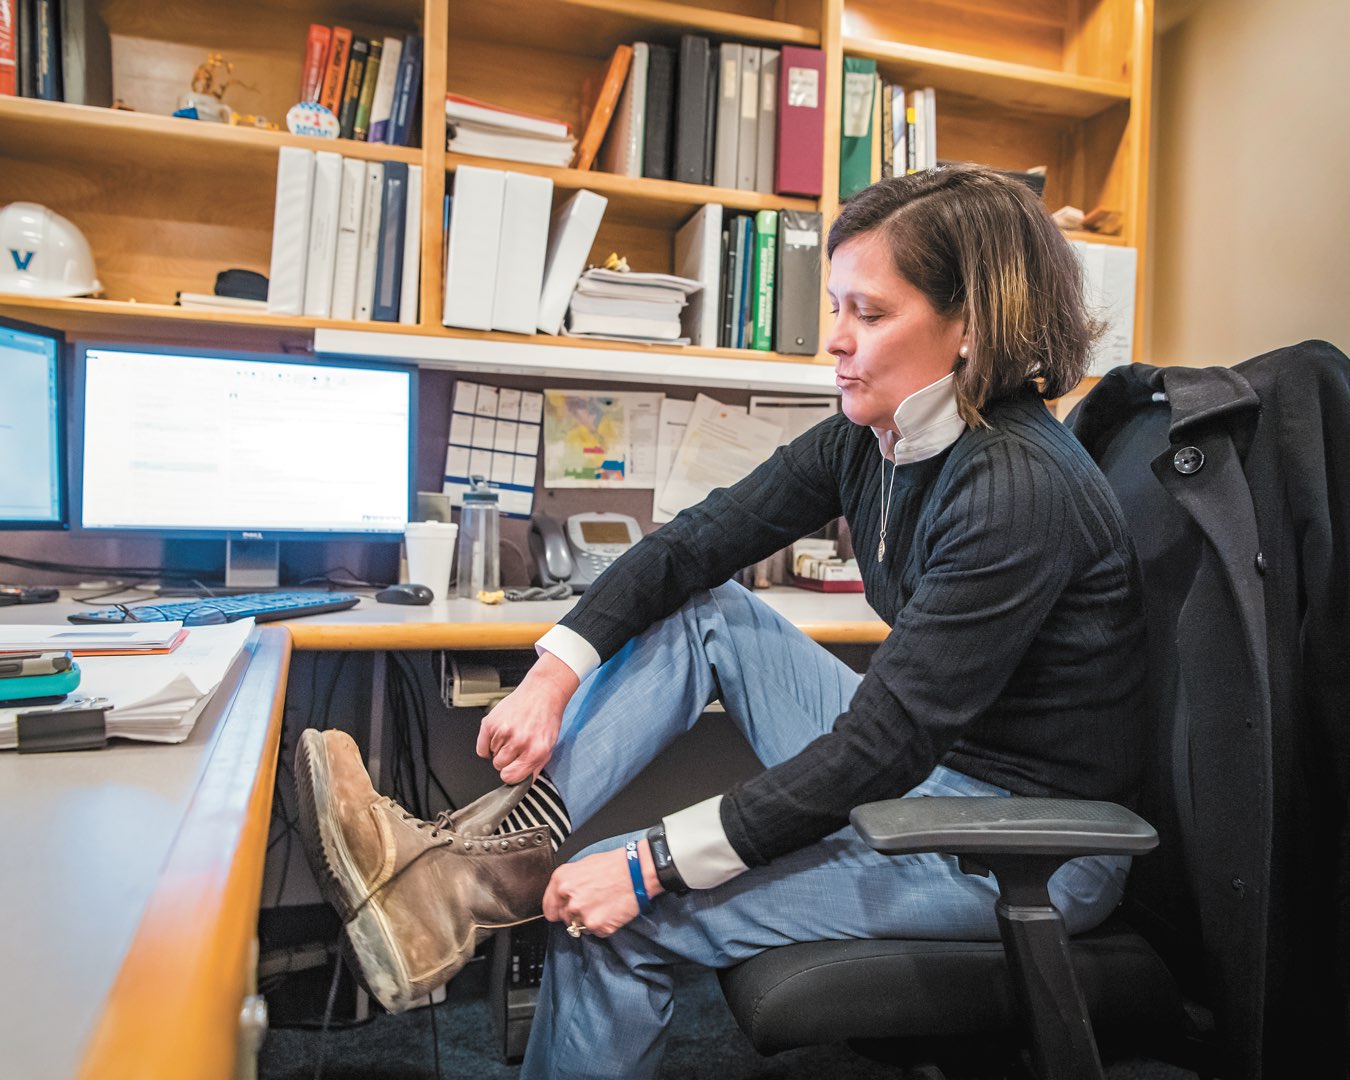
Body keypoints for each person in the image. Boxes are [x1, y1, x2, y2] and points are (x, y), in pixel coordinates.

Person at [293, 162, 1146, 1079]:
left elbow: (880, 749)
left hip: (1024, 844)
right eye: (836, 308)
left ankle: (466, 884)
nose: (836, 341)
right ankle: (469, 869)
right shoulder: (878, 436)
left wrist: (652, 862)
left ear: (970, 327)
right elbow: (697, 543)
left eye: (870, 313)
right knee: (713, 612)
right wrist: (554, 672)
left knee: (613, 905)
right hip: (933, 773)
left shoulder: (1017, 488)